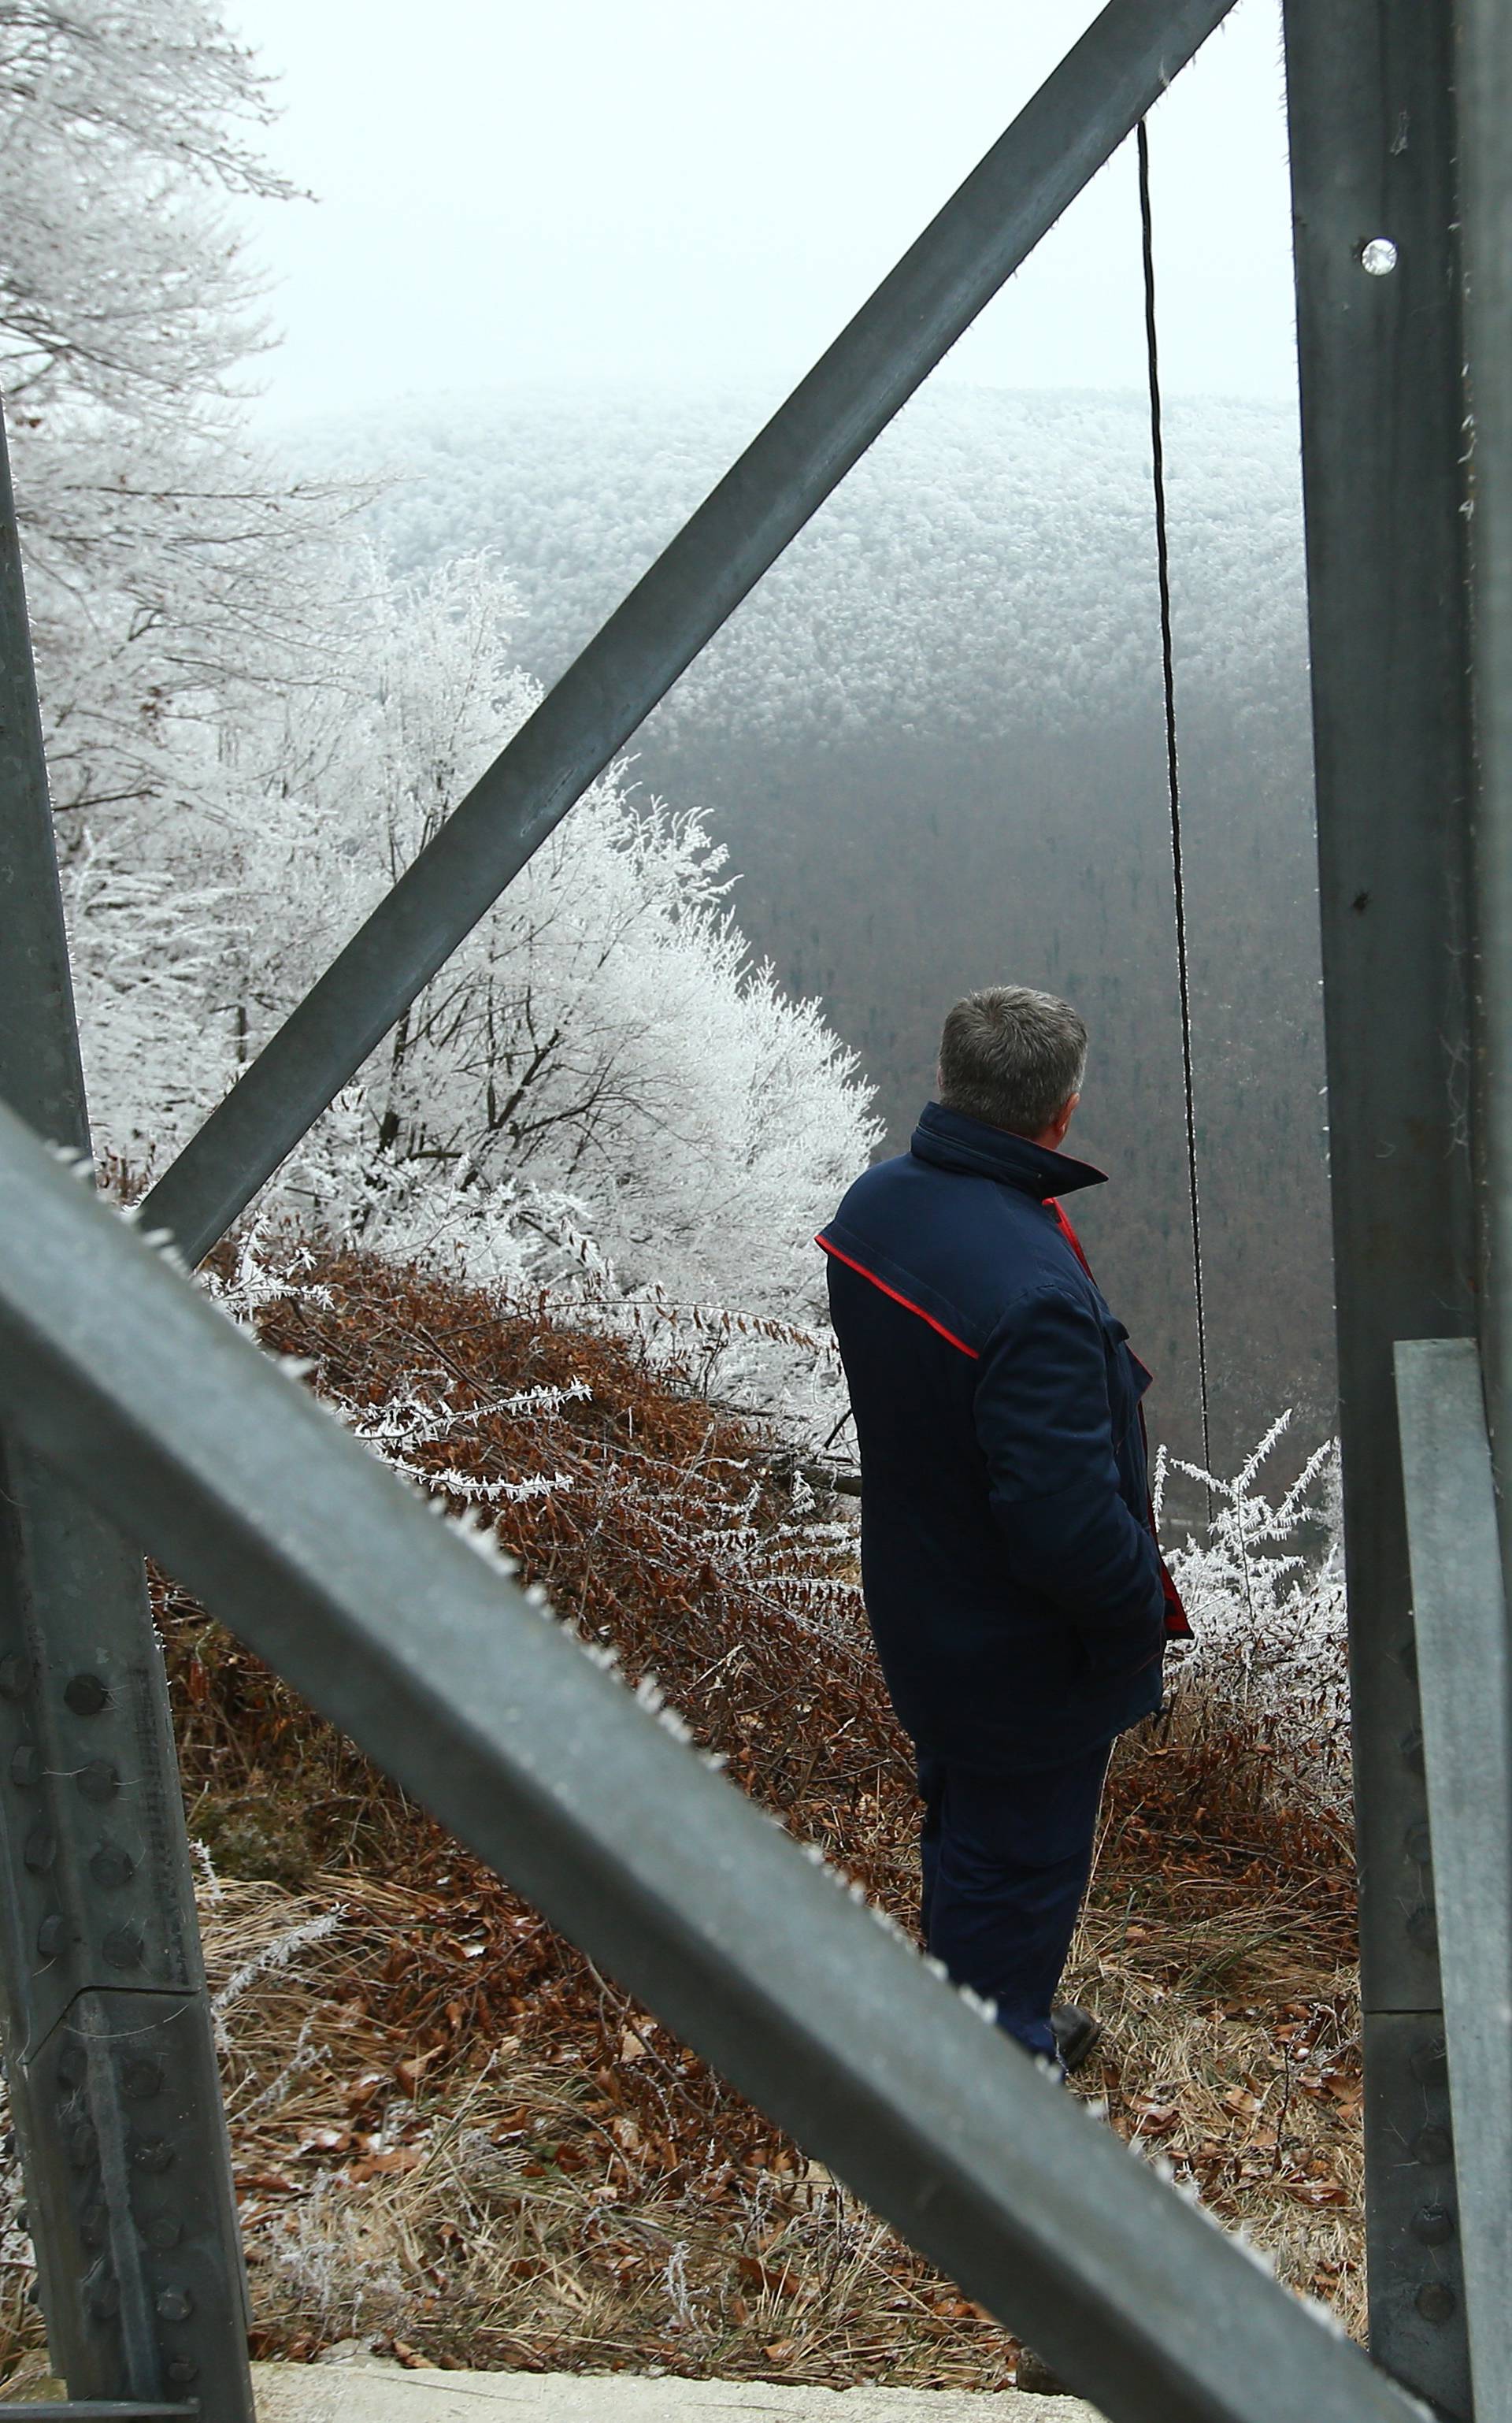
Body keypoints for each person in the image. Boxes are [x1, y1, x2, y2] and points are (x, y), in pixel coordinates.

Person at [818, 985, 1188, 2073]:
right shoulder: (1033, 1292)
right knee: (1018, 1860)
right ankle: (993, 2076)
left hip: (924, 1593)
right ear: (1061, 1116)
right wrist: (1135, 1612)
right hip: (1019, 1647)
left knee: (969, 1819)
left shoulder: (877, 1206)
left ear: (946, 1081)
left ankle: (974, 2011)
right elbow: (1065, 1524)